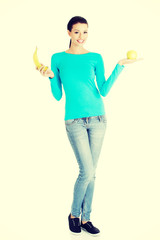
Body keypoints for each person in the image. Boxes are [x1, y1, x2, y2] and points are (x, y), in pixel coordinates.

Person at [36, 16, 143, 236]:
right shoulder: (57, 58)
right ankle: (74, 214)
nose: (81, 37)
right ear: (68, 33)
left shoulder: (95, 57)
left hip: (98, 119)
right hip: (73, 121)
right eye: (76, 32)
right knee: (86, 171)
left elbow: (103, 90)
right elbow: (57, 96)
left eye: (85, 32)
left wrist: (120, 66)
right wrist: (48, 77)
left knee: (92, 173)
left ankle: (86, 218)